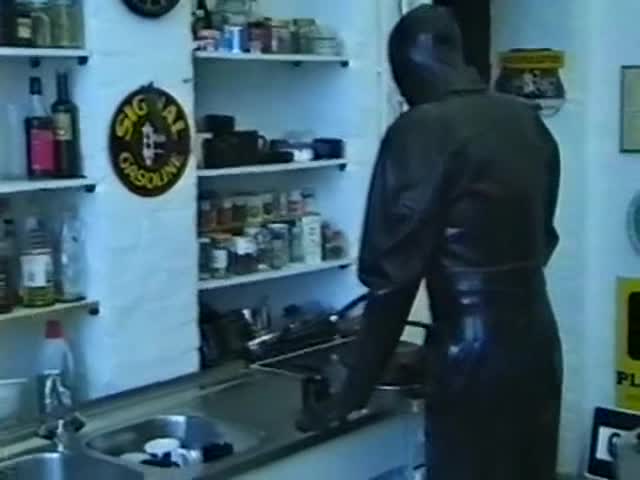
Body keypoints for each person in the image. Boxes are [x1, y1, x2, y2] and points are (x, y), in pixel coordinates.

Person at [297, 5, 563, 480]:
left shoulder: (421, 129)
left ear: (410, 64)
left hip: (470, 355)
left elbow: (391, 282)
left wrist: (349, 395)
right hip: (539, 344)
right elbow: (542, 240)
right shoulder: (526, 121)